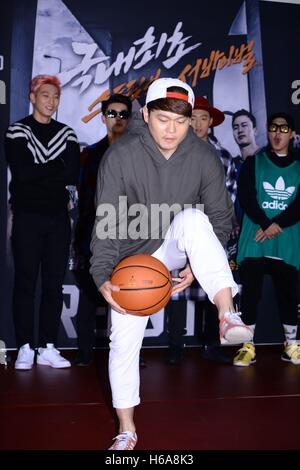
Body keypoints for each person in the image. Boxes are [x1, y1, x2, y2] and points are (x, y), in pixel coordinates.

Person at [90, 77, 254, 450]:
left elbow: (219, 217)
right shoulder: (120, 156)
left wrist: (198, 263)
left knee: (195, 221)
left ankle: (228, 314)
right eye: (164, 119)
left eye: (181, 122)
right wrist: (102, 273)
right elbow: (106, 220)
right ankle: (127, 429)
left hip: (179, 241)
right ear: (145, 114)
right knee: (122, 341)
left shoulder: (202, 155)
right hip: (133, 258)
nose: (173, 129)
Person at [5, 75, 80, 369]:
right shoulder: (17, 131)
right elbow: (22, 174)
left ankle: (47, 346)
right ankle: (25, 346)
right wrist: (56, 169)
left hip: (58, 220)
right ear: (33, 96)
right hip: (26, 217)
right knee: (25, 282)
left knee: (53, 284)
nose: (51, 102)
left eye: (56, 97)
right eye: (45, 95)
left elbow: (72, 174)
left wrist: (42, 172)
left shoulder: (68, 134)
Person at [165, 96, 237, 365]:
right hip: (181, 230)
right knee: (178, 288)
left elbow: (229, 198)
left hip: (212, 230)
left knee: (212, 284)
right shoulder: (173, 153)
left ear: (211, 123)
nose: (197, 123)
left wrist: (220, 231)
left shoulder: (224, 157)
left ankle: (211, 343)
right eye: (192, 118)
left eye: (203, 118)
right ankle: (175, 345)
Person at [233, 112, 300, 367]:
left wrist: (277, 225)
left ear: (291, 134)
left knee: (289, 294)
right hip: (256, 239)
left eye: (284, 128)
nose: (277, 132)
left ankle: (291, 345)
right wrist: (266, 223)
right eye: (273, 127)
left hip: (286, 240)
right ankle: (247, 346)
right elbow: (247, 197)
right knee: (250, 294)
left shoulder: (299, 166)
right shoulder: (254, 162)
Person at [74, 94, 132, 366]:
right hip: (94, 232)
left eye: (123, 114)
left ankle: (129, 353)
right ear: (103, 117)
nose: (117, 118)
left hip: (132, 232)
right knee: (90, 292)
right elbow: (83, 197)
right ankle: (85, 353)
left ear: (130, 118)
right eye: (112, 113)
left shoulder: (139, 154)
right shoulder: (89, 154)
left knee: (128, 294)